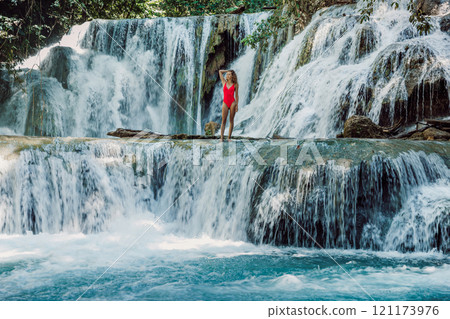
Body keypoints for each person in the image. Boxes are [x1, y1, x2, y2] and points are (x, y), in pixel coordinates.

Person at [218, 69, 239, 142]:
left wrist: (237, 105)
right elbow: (220, 71)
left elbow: (236, 96)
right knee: (223, 120)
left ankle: (229, 137)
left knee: (231, 120)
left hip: (232, 103)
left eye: (229, 74)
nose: (227, 75)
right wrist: (227, 70)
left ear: (232, 76)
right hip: (225, 103)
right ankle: (221, 137)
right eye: (227, 74)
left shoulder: (235, 84)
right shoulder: (224, 82)